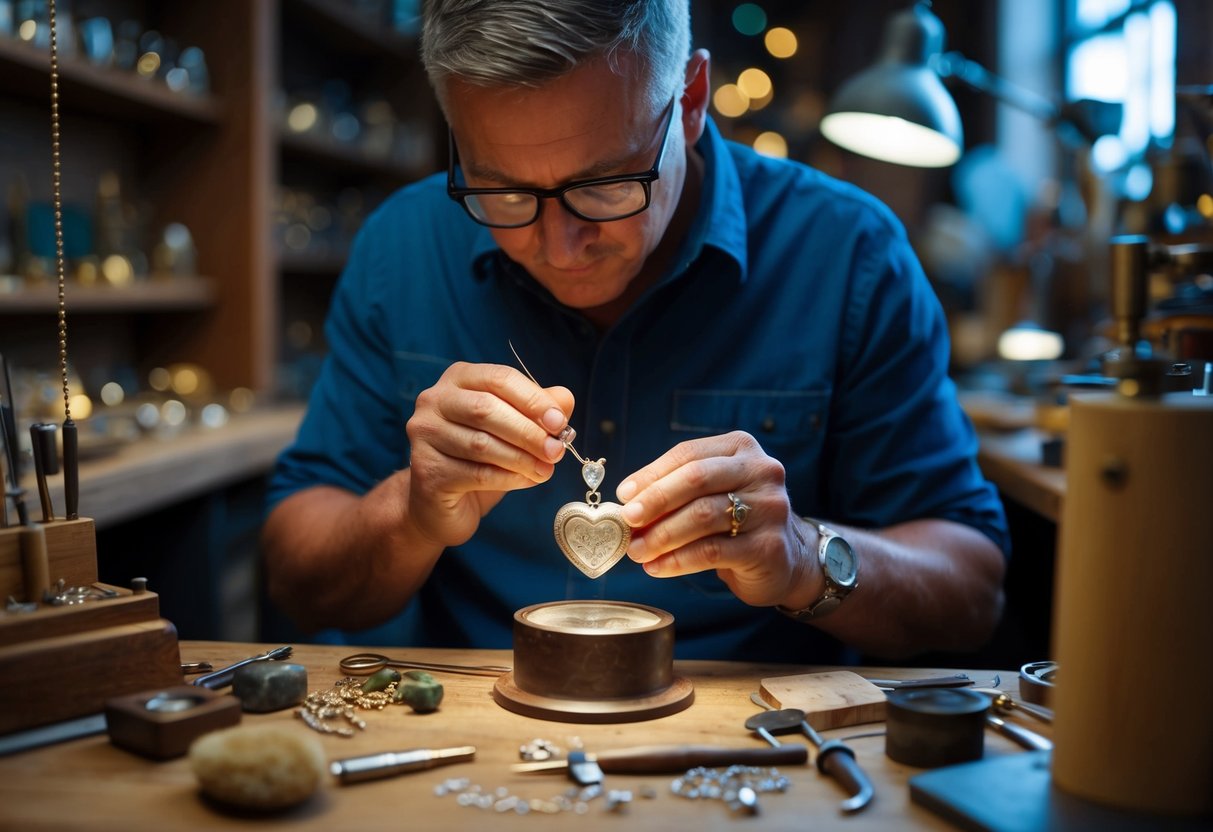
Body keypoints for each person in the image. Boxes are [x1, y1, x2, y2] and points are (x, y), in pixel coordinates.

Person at [262, 0, 1009, 663]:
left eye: (604, 186)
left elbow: (971, 595)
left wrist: (801, 558)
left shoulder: (848, 254)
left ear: (688, 100)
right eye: (502, 190)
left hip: (755, 744)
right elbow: (299, 580)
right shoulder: (405, 246)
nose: (558, 247)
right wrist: (410, 512)